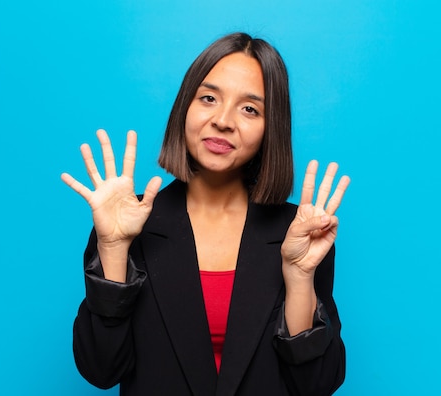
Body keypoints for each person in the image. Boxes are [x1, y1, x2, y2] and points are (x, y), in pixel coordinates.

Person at [61, 32, 350, 396]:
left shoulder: (301, 234)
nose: (223, 120)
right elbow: (101, 370)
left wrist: (298, 278)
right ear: (185, 106)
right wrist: (115, 248)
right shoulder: (127, 222)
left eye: (250, 108)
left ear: (270, 128)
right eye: (209, 98)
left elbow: (317, 384)